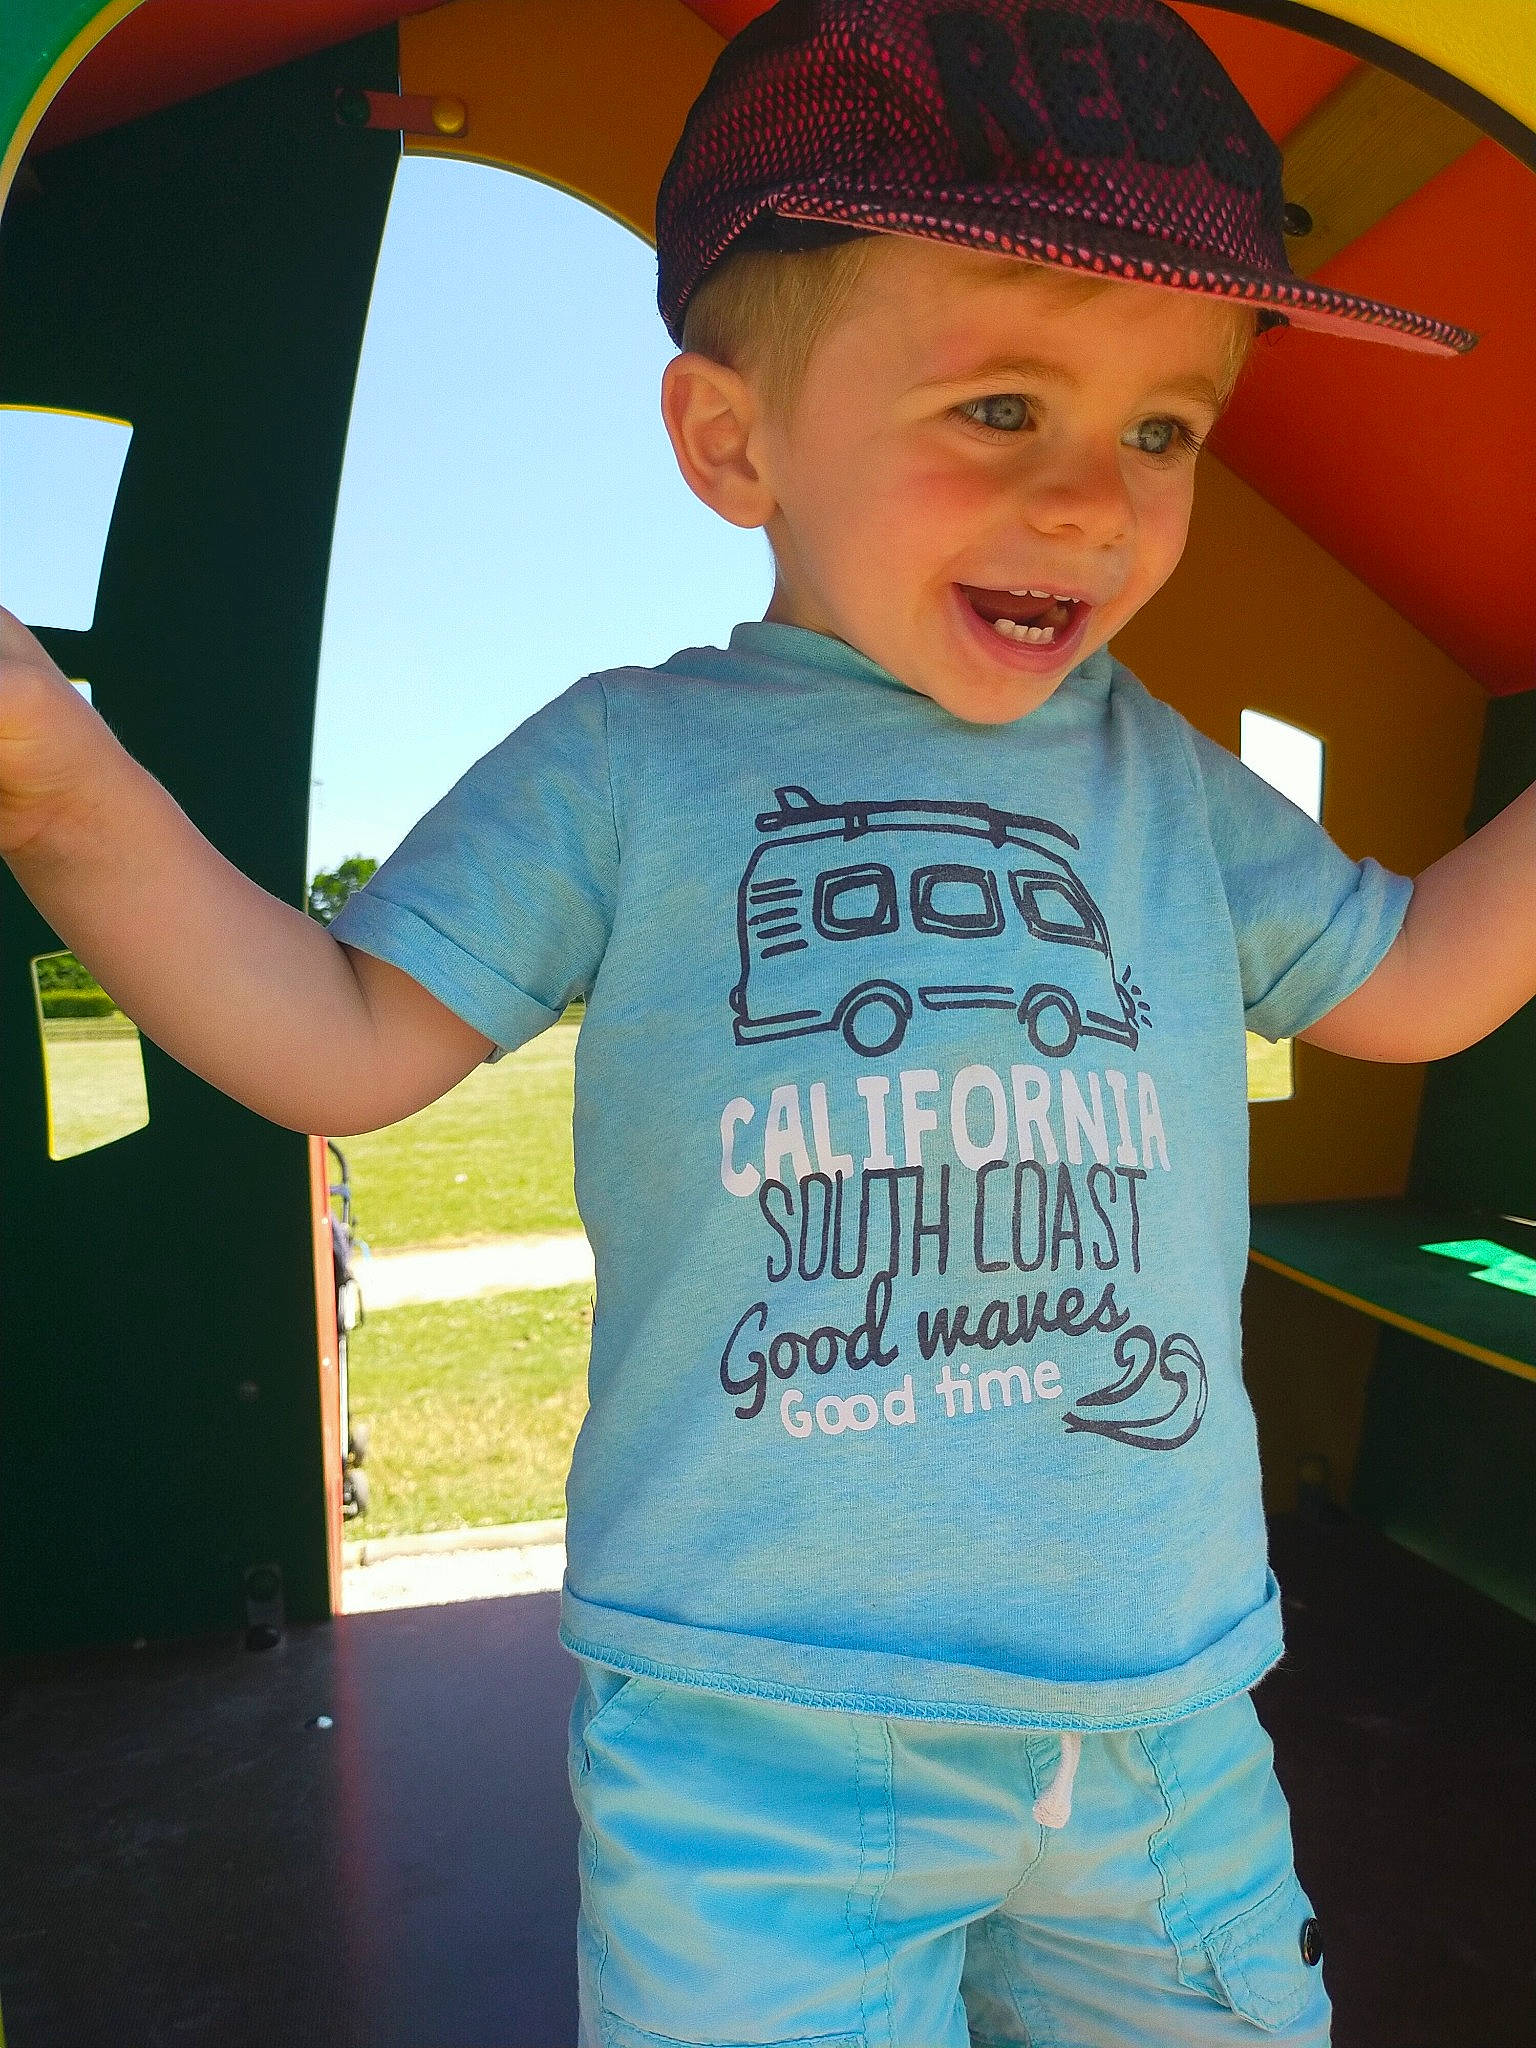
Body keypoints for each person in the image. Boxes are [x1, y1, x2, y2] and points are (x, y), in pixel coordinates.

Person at [0, 2, 1525, 2041]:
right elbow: (340, 1034)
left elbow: (1414, 973)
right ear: (734, 440)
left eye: (1164, 429)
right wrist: (60, 789)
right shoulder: (631, 767)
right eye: (1003, 407)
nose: (1094, 501)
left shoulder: (1162, 780)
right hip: (755, 1743)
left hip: (1159, 1723)